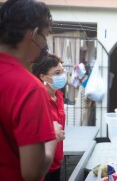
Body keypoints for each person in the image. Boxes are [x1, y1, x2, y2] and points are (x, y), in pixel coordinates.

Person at [0, 0, 65, 180]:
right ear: (35, 34)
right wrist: (52, 136)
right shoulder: (29, 88)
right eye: (45, 35)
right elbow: (32, 172)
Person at [32, 53, 67, 181]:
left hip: (57, 160)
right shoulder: (38, 99)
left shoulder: (59, 95)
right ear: (43, 76)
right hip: (43, 163)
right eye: (57, 73)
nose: (62, 76)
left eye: (62, 72)